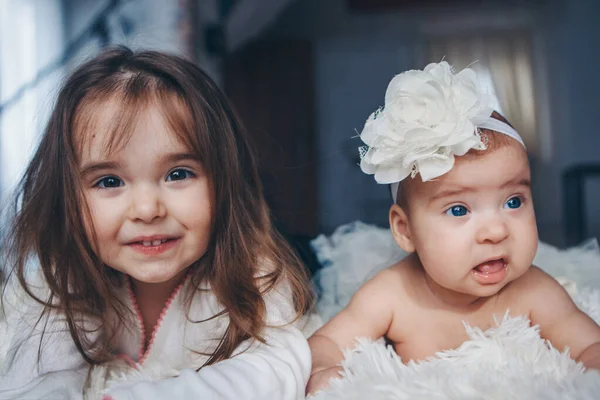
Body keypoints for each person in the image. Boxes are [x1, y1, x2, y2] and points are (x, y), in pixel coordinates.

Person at [0, 46, 312, 400]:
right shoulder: (63, 280)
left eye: (178, 174)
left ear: (224, 182)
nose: (147, 210)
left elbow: (277, 368)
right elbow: (34, 384)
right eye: (109, 181)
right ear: (67, 200)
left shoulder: (253, 272)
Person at [306, 61, 600, 395]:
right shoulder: (392, 294)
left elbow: (591, 346)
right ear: (405, 230)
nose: (496, 231)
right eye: (459, 209)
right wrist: (324, 371)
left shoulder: (535, 291)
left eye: (514, 201)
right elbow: (326, 341)